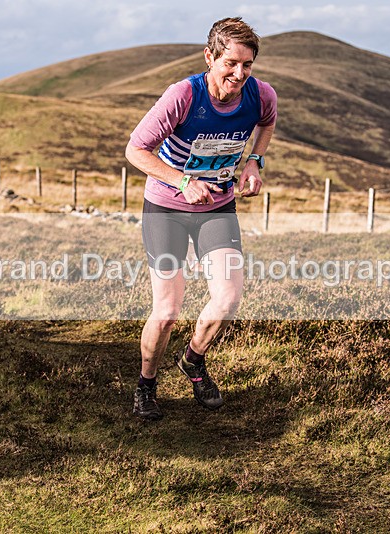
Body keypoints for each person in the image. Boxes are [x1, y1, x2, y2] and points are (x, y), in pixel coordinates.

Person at [125, 17, 277, 420]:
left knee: (227, 299)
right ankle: (147, 384)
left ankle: (193, 360)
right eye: (230, 63)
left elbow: (266, 122)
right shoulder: (183, 96)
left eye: (247, 65)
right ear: (209, 57)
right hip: (166, 209)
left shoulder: (260, 95)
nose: (239, 73)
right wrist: (183, 180)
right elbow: (136, 150)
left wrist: (254, 163)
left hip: (217, 208)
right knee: (167, 311)